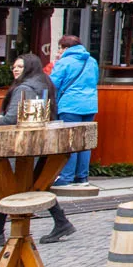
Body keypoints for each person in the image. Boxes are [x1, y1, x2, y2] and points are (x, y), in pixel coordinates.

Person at [0, 55, 76, 245]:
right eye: (14, 66)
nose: (15, 69)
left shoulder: (24, 88)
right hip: (39, 143)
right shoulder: (43, 84)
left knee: (5, 182)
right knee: (36, 184)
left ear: (29, 68)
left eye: (20, 66)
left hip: (21, 145)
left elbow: (11, 118)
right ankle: (61, 222)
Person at [49, 35, 98, 188]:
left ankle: (66, 177)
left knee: (70, 141)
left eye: (60, 47)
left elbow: (53, 83)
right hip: (90, 105)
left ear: (66, 48)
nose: (59, 50)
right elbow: (95, 80)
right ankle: (82, 177)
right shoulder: (92, 61)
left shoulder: (64, 62)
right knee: (84, 142)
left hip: (69, 105)